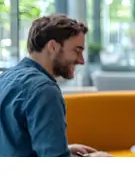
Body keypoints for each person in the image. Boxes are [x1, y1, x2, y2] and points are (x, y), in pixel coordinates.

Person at [0, 14, 112, 157]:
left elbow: (13, 146)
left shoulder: (5, 79)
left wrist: (64, 150)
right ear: (53, 46)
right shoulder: (44, 90)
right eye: (77, 50)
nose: (82, 60)